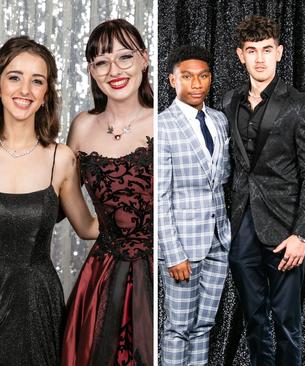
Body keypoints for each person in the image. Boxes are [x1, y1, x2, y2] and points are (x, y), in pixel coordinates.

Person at [218, 16, 305, 365]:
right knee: (254, 320)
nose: (260, 58)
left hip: (284, 229)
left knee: (288, 322)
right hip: (242, 225)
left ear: (279, 52)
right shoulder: (229, 102)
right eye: (252, 51)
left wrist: (302, 235)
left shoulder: (299, 104)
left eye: (266, 50)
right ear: (240, 56)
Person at [0, 36, 98, 366]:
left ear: (45, 94)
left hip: (35, 304)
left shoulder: (62, 159)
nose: (25, 89)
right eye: (15, 76)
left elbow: (87, 227)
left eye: (37, 80)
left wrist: (142, 208)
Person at [62, 19, 153, 365]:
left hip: (160, 271)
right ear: (92, 70)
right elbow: (65, 211)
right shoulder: (82, 127)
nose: (114, 69)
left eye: (125, 57)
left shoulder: (163, 120)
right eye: (102, 61)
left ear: (144, 59)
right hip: (101, 281)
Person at [157, 45, 231, 366]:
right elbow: (159, 196)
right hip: (183, 249)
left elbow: (223, 179)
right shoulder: (162, 126)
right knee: (178, 328)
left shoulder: (219, 120)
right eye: (187, 77)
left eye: (203, 76)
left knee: (204, 326)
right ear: (173, 80)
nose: (196, 84)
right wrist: (173, 253)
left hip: (219, 241)